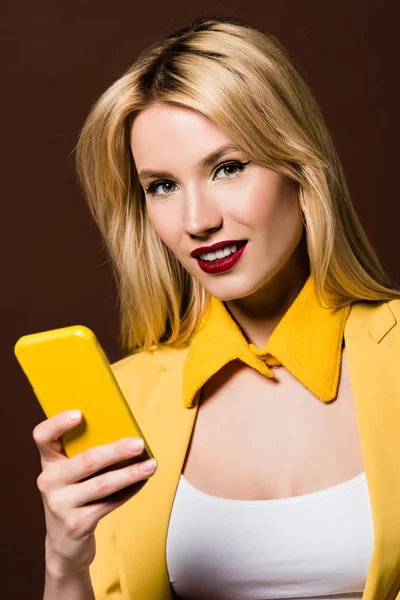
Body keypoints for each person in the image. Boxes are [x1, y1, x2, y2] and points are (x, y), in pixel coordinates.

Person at [33, 15, 400, 600]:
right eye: (162, 186)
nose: (197, 221)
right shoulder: (125, 400)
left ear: (297, 167)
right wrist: (64, 562)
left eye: (227, 168)